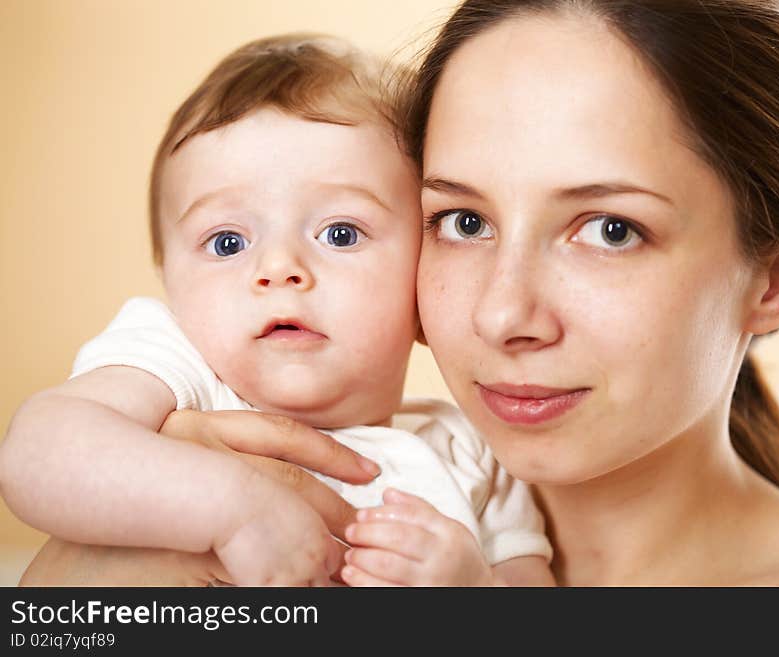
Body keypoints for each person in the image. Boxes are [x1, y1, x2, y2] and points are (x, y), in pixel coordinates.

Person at [18, 0, 779, 586]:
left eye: (610, 228)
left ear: (773, 279)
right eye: (463, 221)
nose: (501, 313)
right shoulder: (173, 434)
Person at [0, 33, 553, 587]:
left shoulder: (469, 453)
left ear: (423, 274)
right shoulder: (179, 376)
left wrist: (475, 588)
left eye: (339, 233)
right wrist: (233, 508)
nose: (279, 268)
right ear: (168, 276)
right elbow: (36, 455)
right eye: (227, 243)